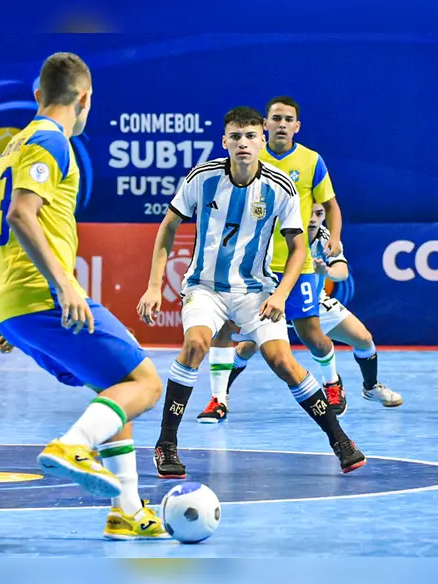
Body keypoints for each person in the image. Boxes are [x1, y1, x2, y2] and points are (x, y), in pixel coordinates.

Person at [0, 52, 167, 541]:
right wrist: (64, 285)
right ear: (83, 98)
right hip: (41, 293)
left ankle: (127, 510)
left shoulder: (15, 143)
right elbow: (21, 216)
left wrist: (13, 316)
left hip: (14, 302)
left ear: (37, 93)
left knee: (115, 387)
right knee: (146, 383)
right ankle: (73, 445)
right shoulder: (50, 140)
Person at [137, 106, 366, 479]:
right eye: (235, 137)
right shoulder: (202, 177)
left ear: (262, 139)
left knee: (283, 362)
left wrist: (280, 295)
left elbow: (297, 249)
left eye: (249, 136)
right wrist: (152, 286)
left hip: (256, 290)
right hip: (205, 287)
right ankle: (166, 442)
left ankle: (340, 440)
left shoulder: (281, 187)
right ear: (224, 141)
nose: (243, 143)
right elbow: (167, 227)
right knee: (195, 345)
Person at [199, 97, 349, 423]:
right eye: (276, 118)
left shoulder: (311, 161)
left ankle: (332, 381)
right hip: (251, 267)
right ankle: (218, 399)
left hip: (297, 264)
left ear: (297, 125)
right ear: (264, 126)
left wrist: (334, 239)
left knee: (311, 337)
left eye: (288, 118)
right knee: (230, 333)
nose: (282, 123)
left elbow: (331, 205)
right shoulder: (249, 156)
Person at [204, 203, 403, 417]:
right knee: (246, 348)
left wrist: (326, 270)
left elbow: (342, 272)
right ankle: (219, 396)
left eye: (319, 213)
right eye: (310, 212)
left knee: (364, 338)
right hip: (271, 299)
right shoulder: (274, 233)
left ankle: (370, 388)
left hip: (313, 302)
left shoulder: (325, 237)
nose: (314, 218)